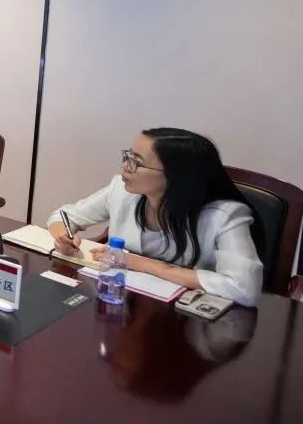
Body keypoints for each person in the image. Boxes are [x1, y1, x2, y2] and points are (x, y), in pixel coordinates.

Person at [47, 128, 262, 306]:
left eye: (136, 162)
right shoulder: (122, 192)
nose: (125, 167)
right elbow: (64, 215)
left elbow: (244, 288)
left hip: (186, 323)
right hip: (123, 305)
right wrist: (64, 237)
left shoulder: (224, 216)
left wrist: (143, 264)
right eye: (128, 157)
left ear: (176, 176)